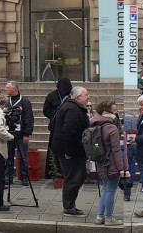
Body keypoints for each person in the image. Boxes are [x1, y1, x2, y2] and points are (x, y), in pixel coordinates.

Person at [51, 86, 90, 217]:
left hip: (71, 149)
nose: (88, 97)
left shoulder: (69, 106)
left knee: (80, 176)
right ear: (78, 97)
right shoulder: (72, 109)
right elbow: (69, 132)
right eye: (86, 94)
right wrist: (68, 152)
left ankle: (70, 204)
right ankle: (68, 207)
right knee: (73, 178)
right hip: (71, 150)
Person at [91, 100, 127, 226]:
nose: (116, 112)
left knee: (106, 189)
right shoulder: (111, 128)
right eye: (114, 109)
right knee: (111, 191)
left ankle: (100, 216)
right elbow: (116, 150)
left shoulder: (94, 124)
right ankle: (109, 218)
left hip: (100, 161)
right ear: (109, 112)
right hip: (112, 163)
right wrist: (121, 168)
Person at [5, 81, 34, 186]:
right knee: (8, 156)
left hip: (21, 134)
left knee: (23, 156)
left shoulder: (24, 101)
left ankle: (24, 176)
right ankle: (8, 176)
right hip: (9, 133)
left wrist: (27, 134)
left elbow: (29, 118)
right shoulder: (6, 101)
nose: (6, 89)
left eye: (8, 88)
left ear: (14, 89)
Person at [43, 77, 72, 179]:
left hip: (68, 126)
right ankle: (53, 171)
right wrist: (56, 113)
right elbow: (46, 110)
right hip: (56, 127)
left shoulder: (72, 96)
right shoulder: (52, 96)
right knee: (54, 150)